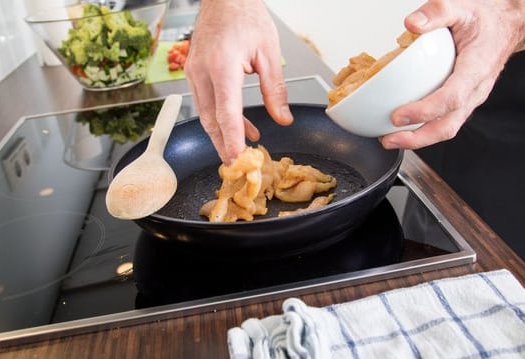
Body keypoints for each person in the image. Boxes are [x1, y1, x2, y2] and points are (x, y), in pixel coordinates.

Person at [184, 0, 525, 259]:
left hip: (513, 109)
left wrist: (510, 16)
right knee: (436, 247)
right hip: (456, 74)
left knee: (500, 267)